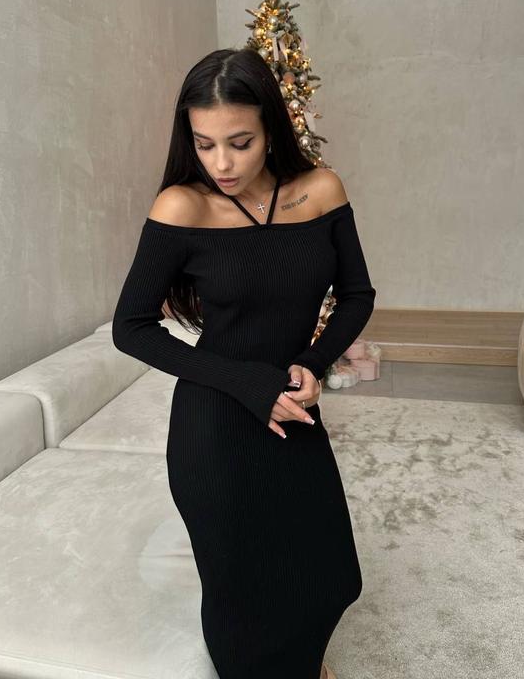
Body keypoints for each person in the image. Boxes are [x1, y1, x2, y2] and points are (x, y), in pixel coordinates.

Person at [112, 47, 376, 679]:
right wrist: (248, 382)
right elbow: (131, 328)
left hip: (288, 401)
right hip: (215, 415)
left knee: (329, 573)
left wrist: (314, 362)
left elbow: (357, 294)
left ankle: (302, 660)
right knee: (242, 590)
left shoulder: (320, 191)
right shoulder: (182, 206)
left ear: (271, 129)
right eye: (204, 145)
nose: (222, 164)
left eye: (240, 142)